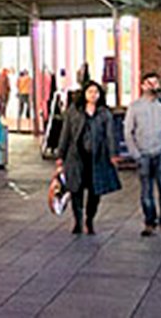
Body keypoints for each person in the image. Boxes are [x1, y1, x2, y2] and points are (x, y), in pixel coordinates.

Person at [56, 81, 121, 234]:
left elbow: (110, 135)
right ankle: (77, 221)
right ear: (84, 94)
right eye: (90, 92)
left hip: (97, 157)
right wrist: (61, 155)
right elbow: (65, 134)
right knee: (75, 189)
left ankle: (89, 219)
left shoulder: (104, 113)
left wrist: (113, 154)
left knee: (95, 191)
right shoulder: (74, 111)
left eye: (96, 92)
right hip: (76, 156)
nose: (93, 95)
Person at [124, 70, 161, 238]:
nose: (152, 86)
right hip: (144, 155)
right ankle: (149, 223)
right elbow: (129, 131)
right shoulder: (135, 107)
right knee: (146, 193)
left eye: (155, 83)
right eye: (149, 83)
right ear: (142, 86)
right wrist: (135, 153)